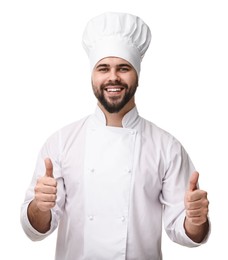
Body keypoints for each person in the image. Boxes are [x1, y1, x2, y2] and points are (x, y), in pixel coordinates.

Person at [20, 12, 210, 260]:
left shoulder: (167, 147)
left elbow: (185, 232)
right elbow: (36, 230)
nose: (113, 77)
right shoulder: (61, 143)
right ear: (92, 75)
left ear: (137, 75)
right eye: (103, 68)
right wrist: (40, 206)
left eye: (123, 68)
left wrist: (196, 220)